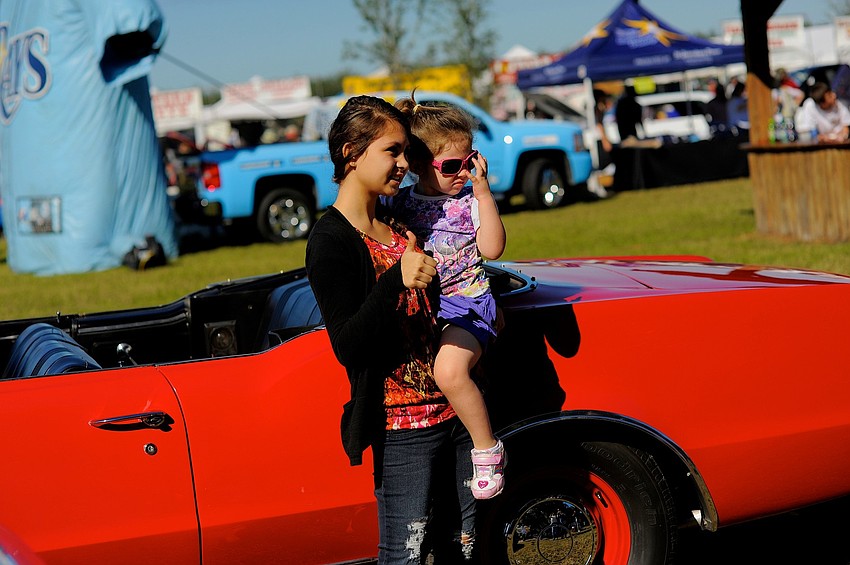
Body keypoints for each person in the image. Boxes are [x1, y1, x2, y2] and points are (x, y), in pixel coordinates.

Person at [305, 95, 477, 563]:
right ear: (351, 153)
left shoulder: (397, 220)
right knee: (406, 555)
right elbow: (348, 344)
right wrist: (392, 282)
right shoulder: (330, 240)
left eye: (407, 152)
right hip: (403, 427)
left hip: (455, 411)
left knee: (463, 547)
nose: (405, 163)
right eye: (393, 151)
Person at [385, 93, 508, 502]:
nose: (463, 173)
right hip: (429, 312)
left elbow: (492, 250)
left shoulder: (472, 201)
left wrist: (485, 193)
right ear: (419, 167)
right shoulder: (401, 204)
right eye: (453, 166)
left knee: (450, 374)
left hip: (469, 304)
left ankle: (487, 449)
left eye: (469, 162)